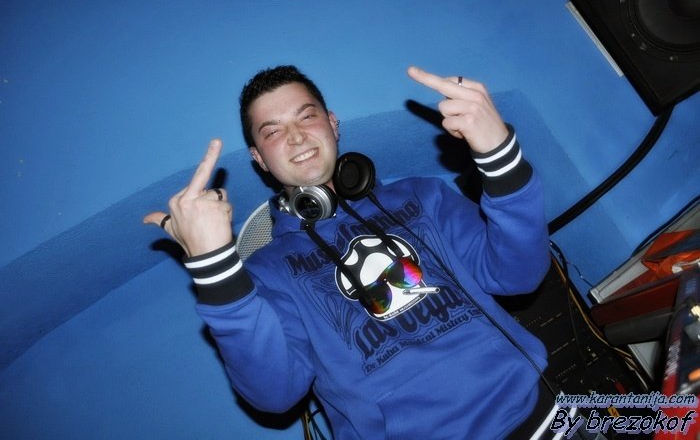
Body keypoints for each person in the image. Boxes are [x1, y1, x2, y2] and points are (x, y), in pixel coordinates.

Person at [144, 65, 551, 440]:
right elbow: (276, 394)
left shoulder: (423, 195)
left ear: (333, 123)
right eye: (272, 132)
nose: (296, 136)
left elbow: (520, 275)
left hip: (545, 411)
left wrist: (500, 158)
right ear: (259, 159)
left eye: (306, 116)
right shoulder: (265, 272)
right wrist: (216, 272)